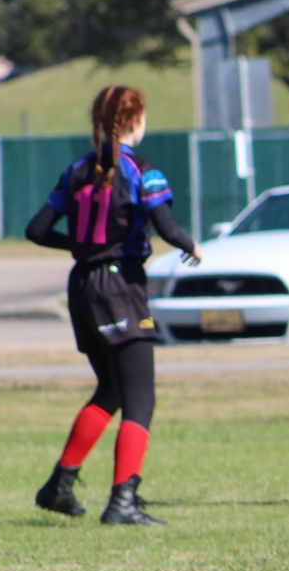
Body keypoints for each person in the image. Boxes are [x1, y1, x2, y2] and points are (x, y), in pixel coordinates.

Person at [26, 85, 199, 527]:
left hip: (83, 286)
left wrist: (82, 246)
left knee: (113, 390)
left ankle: (59, 485)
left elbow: (37, 229)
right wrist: (190, 244)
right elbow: (165, 224)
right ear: (135, 121)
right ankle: (123, 502)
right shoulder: (143, 171)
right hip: (120, 285)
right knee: (140, 397)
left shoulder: (77, 170)